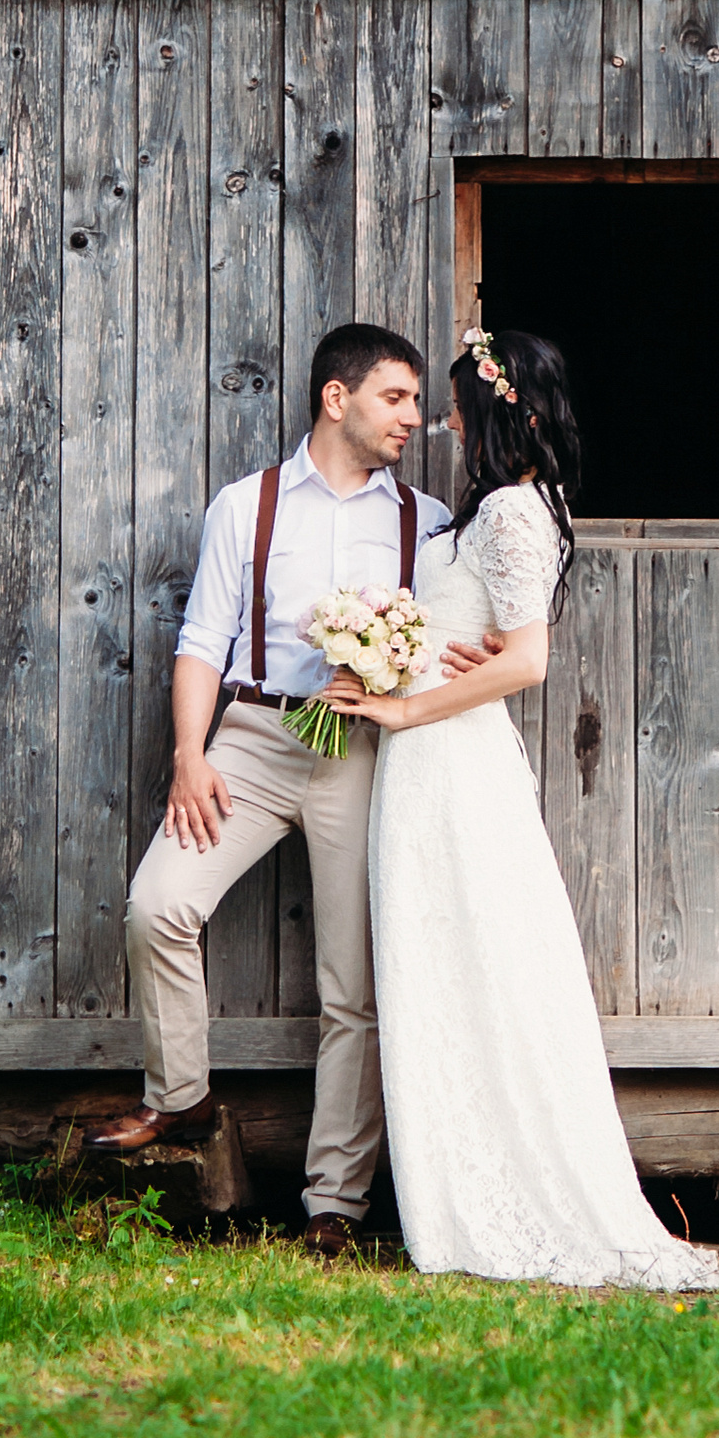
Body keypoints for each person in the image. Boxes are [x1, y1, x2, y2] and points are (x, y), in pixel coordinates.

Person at [322, 325, 719, 1292]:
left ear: (496, 409)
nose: (444, 418)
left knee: (470, 957)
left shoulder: (511, 510)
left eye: (457, 401)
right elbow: (496, 641)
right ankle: (453, 1181)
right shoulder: (500, 508)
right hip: (430, 763)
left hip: (448, 759)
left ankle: (495, 1190)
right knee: (437, 960)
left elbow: (527, 660)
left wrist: (403, 703)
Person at [88, 321, 450, 1256]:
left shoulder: (428, 522)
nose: (416, 416)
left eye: (415, 399)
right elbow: (202, 638)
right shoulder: (244, 506)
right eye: (397, 398)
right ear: (339, 399)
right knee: (156, 906)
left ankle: (334, 1203)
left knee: (352, 988)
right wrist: (188, 753)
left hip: (362, 756)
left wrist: (394, 679)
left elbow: (456, 645)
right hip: (249, 739)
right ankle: (181, 1100)